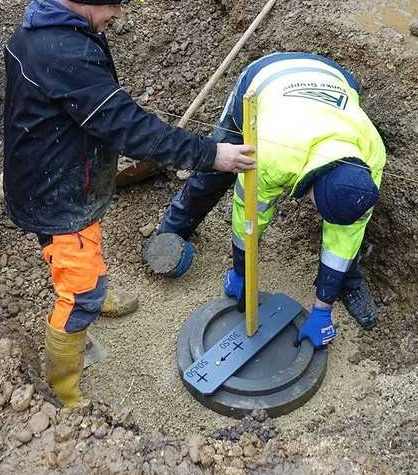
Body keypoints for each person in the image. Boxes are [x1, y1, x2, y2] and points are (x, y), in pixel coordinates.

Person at [2, 0, 254, 406]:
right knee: (79, 293)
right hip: (56, 195)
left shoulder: (44, 30)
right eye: (117, 3)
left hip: (53, 172)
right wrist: (212, 154)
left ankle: (92, 288)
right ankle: (63, 391)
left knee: (83, 249)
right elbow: (129, 127)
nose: (119, 14)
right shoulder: (67, 54)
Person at [152, 51, 386, 345]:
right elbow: (249, 213)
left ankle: (344, 284)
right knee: (217, 168)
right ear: (309, 186)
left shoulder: (372, 156)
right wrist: (241, 269)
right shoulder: (273, 159)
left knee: (348, 220)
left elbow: (347, 234)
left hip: (336, 81)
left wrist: (321, 308)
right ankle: (173, 232)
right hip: (265, 81)